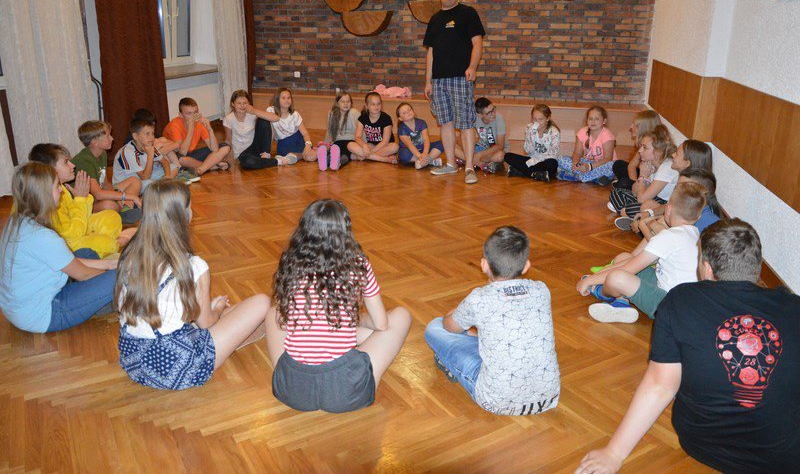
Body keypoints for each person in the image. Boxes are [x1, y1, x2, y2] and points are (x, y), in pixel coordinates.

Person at [576, 219, 800, 473]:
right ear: (757, 267)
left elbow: (661, 385)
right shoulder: (794, 307)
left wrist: (614, 453)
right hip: (786, 455)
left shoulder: (681, 299)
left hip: (707, 444)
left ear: (706, 268)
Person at [116, 179, 270, 390]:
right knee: (262, 302)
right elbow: (206, 323)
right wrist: (216, 310)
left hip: (135, 361)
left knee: (228, 314)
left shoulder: (129, 255)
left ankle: (228, 327)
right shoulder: (193, 265)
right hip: (177, 366)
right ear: (184, 215)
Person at [265, 199, 412, 413]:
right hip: (345, 392)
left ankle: (345, 332)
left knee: (273, 312)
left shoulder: (290, 262)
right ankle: (352, 333)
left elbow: (286, 319)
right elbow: (381, 324)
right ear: (345, 232)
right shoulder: (358, 264)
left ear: (303, 230)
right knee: (401, 315)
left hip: (293, 390)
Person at [424, 226, 560, 415]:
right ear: (526, 266)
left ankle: (452, 365)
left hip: (496, 401)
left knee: (434, 327)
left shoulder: (479, 299)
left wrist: (456, 313)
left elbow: (450, 327)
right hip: (547, 397)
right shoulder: (542, 290)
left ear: (484, 265)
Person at [0, 162, 117, 333]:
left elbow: (66, 260)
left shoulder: (16, 221)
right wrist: (114, 272)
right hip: (44, 314)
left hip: (19, 308)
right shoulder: (42, 236)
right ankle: (105, 300)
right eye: (57, 186)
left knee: (87, 253)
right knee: (120, 276)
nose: (62, 190)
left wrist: (109, 263)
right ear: (44, 194)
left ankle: (101, 301)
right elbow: (84, 274)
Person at [577, 182, 706, 323]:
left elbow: (627, 269)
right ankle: (621, 303)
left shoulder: (669, 237)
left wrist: (590, 280)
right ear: (698, 216)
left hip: (668, 306)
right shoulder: (695, 234)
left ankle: (600, 292)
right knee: (624, 258)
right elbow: (631, 260)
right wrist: (597, 276)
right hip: (676, 298)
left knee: (617, 277)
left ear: (668, 209)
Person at [424, 0, 486, 184]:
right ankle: (450, 164)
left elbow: (477, 43)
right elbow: (431, 52)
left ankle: (469, 167)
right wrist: (428, 81)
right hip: (438, 81)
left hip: (461, 78)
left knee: (466, 123)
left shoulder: (468, 13)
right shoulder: (434, 19)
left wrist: (472, 67)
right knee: (445, 123)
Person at [29, 143, 129, 258]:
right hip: (70, 242)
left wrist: (83, 197)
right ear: (50, 170)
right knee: (104, 242)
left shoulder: (62, 188)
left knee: (111, 217)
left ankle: (101, 249)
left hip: (78, 229)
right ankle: (114, 244)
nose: (72, 165)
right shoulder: (50, 197)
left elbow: (83, 215)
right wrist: (80, 199)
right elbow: (73, 234)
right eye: (66, 162)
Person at [72, 120, 142, 224]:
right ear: (94, 142)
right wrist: (128, 196)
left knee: (135, 181)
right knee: (109, 205)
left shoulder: (102, 154)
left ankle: (123, 209)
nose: (112, 138)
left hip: (98, 198)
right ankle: (122, 212)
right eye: (108, 136)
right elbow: (98, 194)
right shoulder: (84, 161)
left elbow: (105, 184)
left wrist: (120, 197)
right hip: (85, 204)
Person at [608, 125, 677, 222]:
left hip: (662, 204)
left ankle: (627, 214)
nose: (640, 151)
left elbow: (641, 199)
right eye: (641, 146)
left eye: (645, 148)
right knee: (616, 192)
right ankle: (628, 215)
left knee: (633, 208)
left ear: (658, 152)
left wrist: (643, 176)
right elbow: (634, 192)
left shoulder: (667, 167)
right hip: (649, 199)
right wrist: (641, 176)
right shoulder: (651, 164)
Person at [222, 89, 291, 169]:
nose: (242, 106)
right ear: (233, 104)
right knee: (248, 162)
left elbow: (276, 118)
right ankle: (277, 161)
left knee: (263, 120)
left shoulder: (252, 114)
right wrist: (228, 160)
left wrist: (253, 110)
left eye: (245, 103)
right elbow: (228, 140)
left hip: (255, 147)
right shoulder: (228, 119)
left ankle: (266, 154)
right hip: (242, 154)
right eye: (239, 103)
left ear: (249, 103)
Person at [113, 113, 181, 192]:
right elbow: (145, 177)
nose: (152, 137)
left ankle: (163, 185)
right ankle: (160, 188)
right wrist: (150, 155)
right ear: (135, 136)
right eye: (147, 134)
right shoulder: (128, 151)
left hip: (145, 177)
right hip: (128, 184)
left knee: (174, 167)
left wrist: (168, 177)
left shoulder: (148, 145)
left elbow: (165, 162)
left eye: (152, 133)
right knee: (148, 183)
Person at [163, 97, 231, 175]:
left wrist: (210, 129)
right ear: (180, 115)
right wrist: (191, 129)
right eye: (189, 113)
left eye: (195, 112)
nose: (193, 116)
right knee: (181, 160)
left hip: (192, 155)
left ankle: (201, 170)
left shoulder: (199, 124)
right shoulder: (174, 125)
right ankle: (213, 165)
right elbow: (182, 153)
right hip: (177, 157)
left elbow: (214, 149)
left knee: (225, 147)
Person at [557, 106, 617, 184]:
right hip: (586, 164)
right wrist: (576, 163)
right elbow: (577, 153)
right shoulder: (582, 132)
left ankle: (578, 177)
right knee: (561, 159)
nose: (593, 121)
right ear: (587, 120)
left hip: (601, 165)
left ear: (604, 121)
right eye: (590, 119)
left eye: (597, 119)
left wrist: (589, 167)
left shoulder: (607, 135)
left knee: (612, 166)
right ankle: (595, 178)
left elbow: (608, 159)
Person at [504, 104, 560, 182]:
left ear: (548, 118)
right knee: (507, 156)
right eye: (534, 119)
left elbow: (553, 153)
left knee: (552, 164)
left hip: (545, 160)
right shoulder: (529, 128)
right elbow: (527, 151)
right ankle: (538, 174)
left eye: (540, 119)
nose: (537, 122)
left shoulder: (554, 132)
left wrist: (536, 161)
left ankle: (522, 172)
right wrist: (530, 134)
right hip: (532, 158)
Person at [611, 110, 662, 190]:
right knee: (618, 164)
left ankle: (625, 186)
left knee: (623, 183)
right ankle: (628, 187)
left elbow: (657, 180)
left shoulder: (655, 147)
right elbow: (632, 165)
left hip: (652, 184)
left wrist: (637, 184)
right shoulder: (644, 144)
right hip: (643, 176)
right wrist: (635, 183)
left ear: (643, 128)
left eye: (634, 124)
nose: (631, 127)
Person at [455, 97, 507, 174]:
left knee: (500, 156)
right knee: (452, 146)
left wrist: (478, 155)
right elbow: (462, 137)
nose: (493, 114)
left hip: (494, 151)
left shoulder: (499, 119)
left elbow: (500, 146)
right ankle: (481, 163)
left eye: (493, 109)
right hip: (480, 148)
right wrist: (469, 152)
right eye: (489, 113)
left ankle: (470, 161)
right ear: (480, 115)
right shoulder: (475, 118)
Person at [348, 92, 400, 164]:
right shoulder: (362, 117)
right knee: (350, 145)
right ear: (366, 106)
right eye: (373, 104)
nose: (376, 107)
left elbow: (385, 141)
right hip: (371, 145)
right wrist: (364, 146)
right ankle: (384, 159)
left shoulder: (386, 118)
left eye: (378, 104)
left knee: (395, 147)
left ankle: (362, 157)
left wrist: (370, 152)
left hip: (384, 146)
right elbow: (357, 137)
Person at [267, 87, 316, 162]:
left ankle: (320, 151)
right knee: (306, 156)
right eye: (283, 98)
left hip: (298, 140)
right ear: (277, 100)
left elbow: (305, 133)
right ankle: (293, 156)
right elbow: (268, 132)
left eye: (288, 98)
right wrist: (266, 151)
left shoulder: (295, 114)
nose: (286, 100)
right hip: (283, 144)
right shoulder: (270, 110)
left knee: (311, 157)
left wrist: (308, 145)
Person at [319, 92, 359, 171]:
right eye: (343, 101)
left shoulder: (354, 112)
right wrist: (326, 145)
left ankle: (329, 162)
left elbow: (361, 129)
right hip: (341, 142)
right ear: (337, 103)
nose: (345, 104)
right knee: (343, 153)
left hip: (347, 142)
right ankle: (334, 163)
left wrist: (364, 144)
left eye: (348, 101)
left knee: (339, 152)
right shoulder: (332, 113)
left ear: (351, 103)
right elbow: (329, 131)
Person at [396, 101, 444, 169]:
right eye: (404, 113)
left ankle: (423, 162)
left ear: (413, 110)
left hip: (423, 149)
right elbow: (410, 145)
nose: (408, 112)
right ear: (400, 118)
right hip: (411, 151)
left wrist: (425, 153)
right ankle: (430, 161)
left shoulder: (421, 123)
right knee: (403, 154)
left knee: (442, 143)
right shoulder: (401, 129)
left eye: (409, 110)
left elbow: (426, 139)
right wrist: (420, 156)